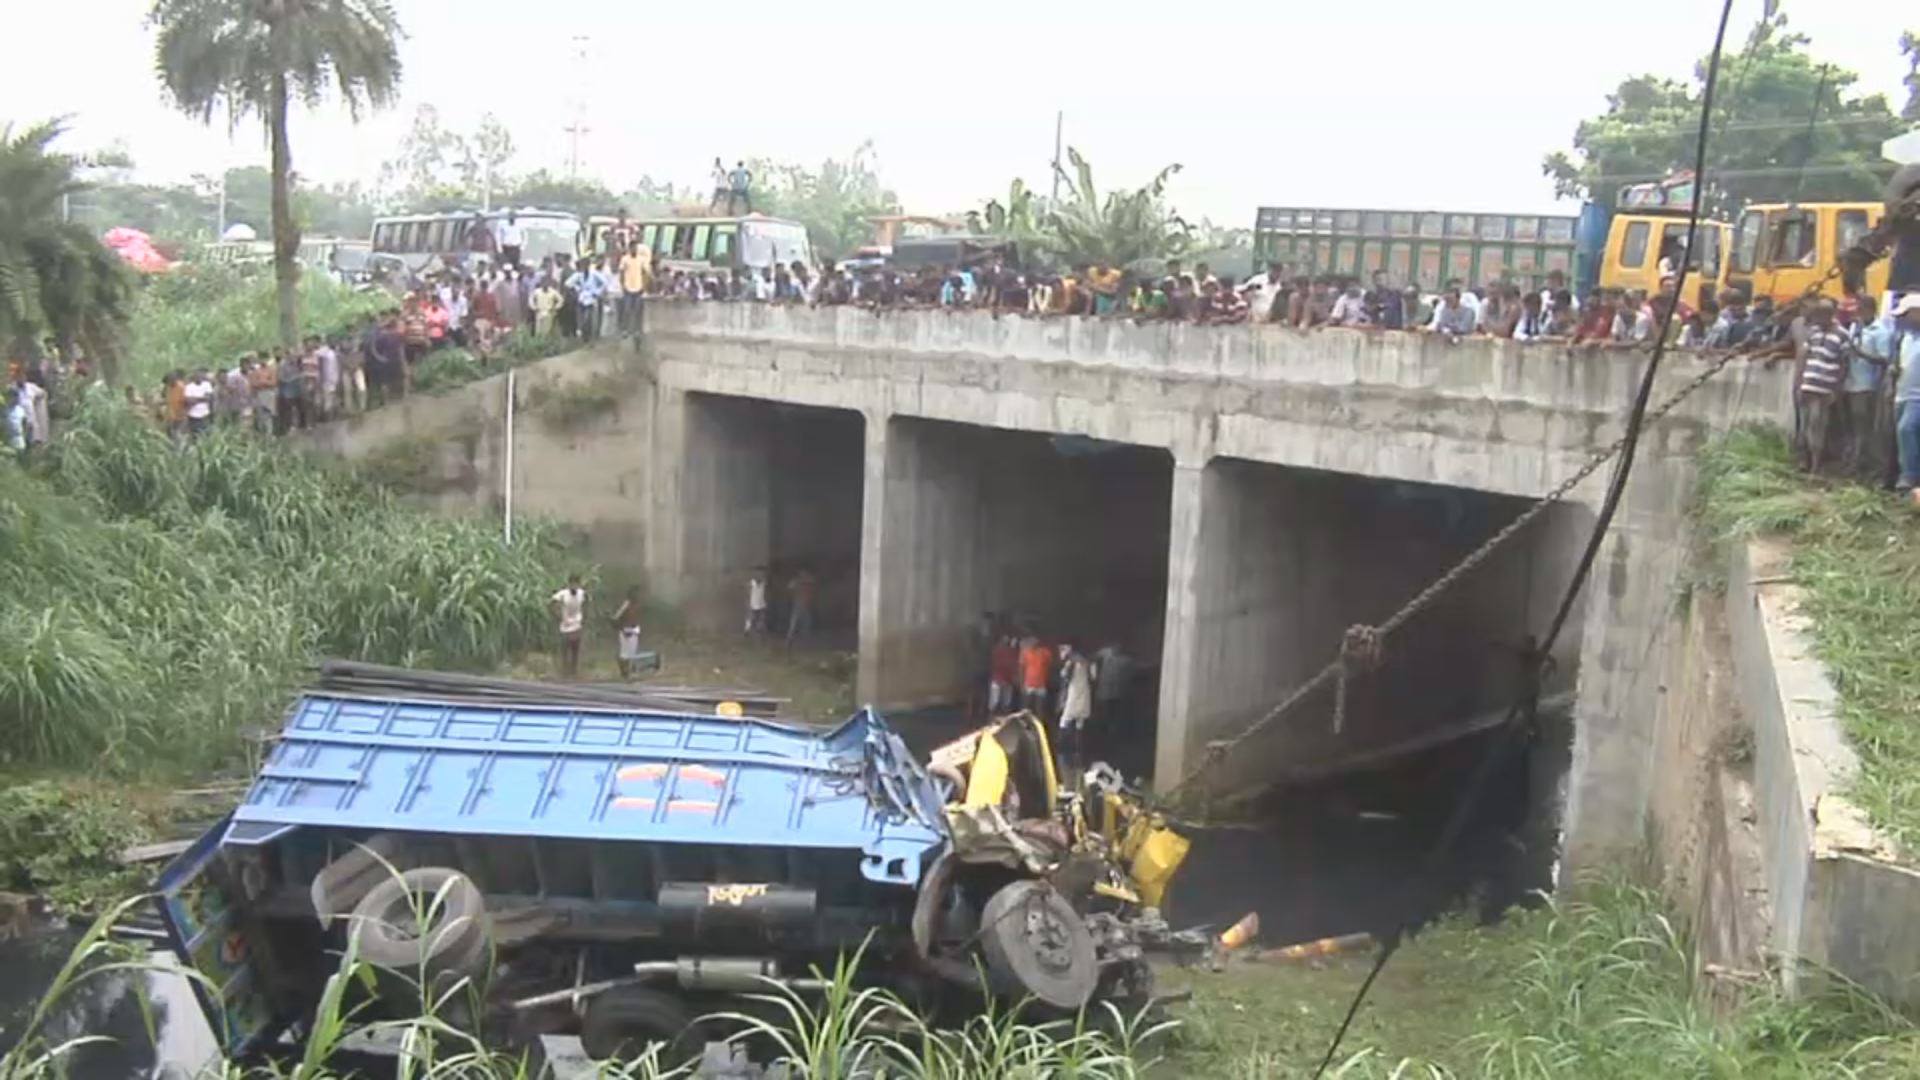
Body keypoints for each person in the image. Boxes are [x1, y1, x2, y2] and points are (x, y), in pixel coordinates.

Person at [1796, 300, 1848, 475]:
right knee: (1805, 425)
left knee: (1818, 426)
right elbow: (1804, 357)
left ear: (1829, 315)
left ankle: (1816, 465)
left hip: (1824, 388)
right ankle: (1806, 461)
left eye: (1820, 315)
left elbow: (1844, 364)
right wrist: (1799, 382)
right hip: (1808, 384)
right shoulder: (1814, 333)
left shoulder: (1842, 335)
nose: (1817, 319)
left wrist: (1836, 389)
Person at [1890, 295, 1920, 502]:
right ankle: (1904, 478)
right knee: (1902, 435)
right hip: (1902, 394)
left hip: (1918, 396)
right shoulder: (1906, 337)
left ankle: (1909, 477)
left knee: (1906, 429)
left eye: (1906, 314)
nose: (1903, 318)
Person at [1056, 643, 1096, 771]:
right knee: (1080, 722)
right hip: (1085, 694)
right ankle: (1079, 751)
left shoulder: (1071, 663)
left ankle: (1062, 750)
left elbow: (1065, 679)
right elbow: (1094, 678)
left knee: (1065, 721)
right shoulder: (1088, 663)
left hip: (1073, 695)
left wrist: (1061, 700)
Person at [550, 573, 587, 678]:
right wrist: (558, 616)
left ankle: (573, 672)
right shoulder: (563, 594)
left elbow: (586, 604)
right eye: (572, 584)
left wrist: (584, 618)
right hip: (565, 626)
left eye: (576, 584)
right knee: (565, 650)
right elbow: (552, 603)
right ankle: (564, 672)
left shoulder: (581, 594)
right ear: (569, 584)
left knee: (575, 650)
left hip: (577, 625)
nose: (574, 587)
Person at [610, 586, 644, 679]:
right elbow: (615, 618)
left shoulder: (637, 605)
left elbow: (636, 619)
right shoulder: (626, 605)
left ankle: (630, 672)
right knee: (624, 653)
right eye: (635, 594)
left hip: (634, 631)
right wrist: (622, 629)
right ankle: (624, 672)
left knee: (632, 653)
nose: (637, 595)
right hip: (625, 632)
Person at [619, 240, 651, 334]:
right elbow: (621, 272)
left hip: (639, 288)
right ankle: (625, 329)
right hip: (628, 288)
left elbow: (645, 273)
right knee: (627, 310)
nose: (634, 249)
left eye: (636, 248)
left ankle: (637, 329)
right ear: (629, 248)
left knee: (637, 311)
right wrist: (622, 285)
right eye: (633, 248)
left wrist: (644, 287)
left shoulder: (641, 259)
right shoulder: (625, 259)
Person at [1019, 636, 1051, 717]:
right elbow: (1021, 668)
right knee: (1026, 707)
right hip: (1029, 683)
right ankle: (1025, 724)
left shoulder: (1045, 652)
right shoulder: (1025, 652)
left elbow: (1050, 665)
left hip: (1041, 683)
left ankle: (1038, 725)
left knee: (1040, 707)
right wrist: (1021, 683)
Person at [275, 348, 306, 433]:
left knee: (300, 407)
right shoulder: (282, 365)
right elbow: (281, 378)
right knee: (290, 409)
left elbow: (301, 372)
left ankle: (301, 425)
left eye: (293, 355)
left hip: (297, 389)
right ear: (287, 355)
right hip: (287, 390)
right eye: (291, 355)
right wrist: (292, 379)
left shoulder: (296, 363)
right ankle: (290, 426)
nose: (293, 356)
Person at [988, 634, 1019, 715]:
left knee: (1003, 702)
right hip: (1000, 679)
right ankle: (992, 719)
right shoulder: (999, 650)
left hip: (1005, 679)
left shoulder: (1009, 651)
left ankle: (998, 719)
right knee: (996, 702)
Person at [784, 567, 816, 647]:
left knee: (806, 624)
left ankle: (804, 641)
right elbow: (789, 588)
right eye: (802, 573)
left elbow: (812, 589)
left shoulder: (809, 581)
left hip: (805, 605)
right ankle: (789, 640)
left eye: (804, 572)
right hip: (798, 605)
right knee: (794, 624)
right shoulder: (797, 581)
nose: (803, 574)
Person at [183, 367, 215, 437]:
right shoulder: (189, 387)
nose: (199, 378)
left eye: (200, 376)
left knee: (206, 434)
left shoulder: (207, 384)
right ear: (193, 377)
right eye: (197, 376)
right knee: (195, 435)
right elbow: (189, 401)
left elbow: (209, 398)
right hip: (193, 416)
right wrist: (203, 398)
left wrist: (195, 399)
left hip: (205, 415)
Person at [745, 567, 769, 634]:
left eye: (762, 573)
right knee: (750, 618)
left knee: (761, 619)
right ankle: (747, 630)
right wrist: (748, 603)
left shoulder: (764, 582)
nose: (760, 575)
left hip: (761, 604)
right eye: (758, 573)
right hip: (753, 604)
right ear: (755, 574)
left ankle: (758, 630)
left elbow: (765, 593)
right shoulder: (751, 583)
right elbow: (747, 592)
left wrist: (765, 602)